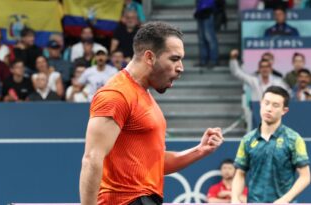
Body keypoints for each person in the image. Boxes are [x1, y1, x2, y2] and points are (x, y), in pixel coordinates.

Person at [79, 22, 224, 205]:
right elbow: (92, 159)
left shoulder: (143, 96)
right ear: (149, 57)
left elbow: (154, 163)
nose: (181, 67)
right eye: (174, 59)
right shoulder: (116, 94)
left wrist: (199, 150)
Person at [232, 86, 310, 203]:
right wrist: (235, 198)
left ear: (284, 110)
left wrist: (285, 200)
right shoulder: (247, 140)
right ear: (260, 104)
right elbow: (240, 174)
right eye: (266, 103)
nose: (269, 108)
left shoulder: (294, 139)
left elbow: (305, 176)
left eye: (275, 105)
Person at [194, 0, 219, 68]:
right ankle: (203, 60)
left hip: (209, 10)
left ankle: (213, 60)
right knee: (202, 38)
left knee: (210, 37)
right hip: (200, 11)